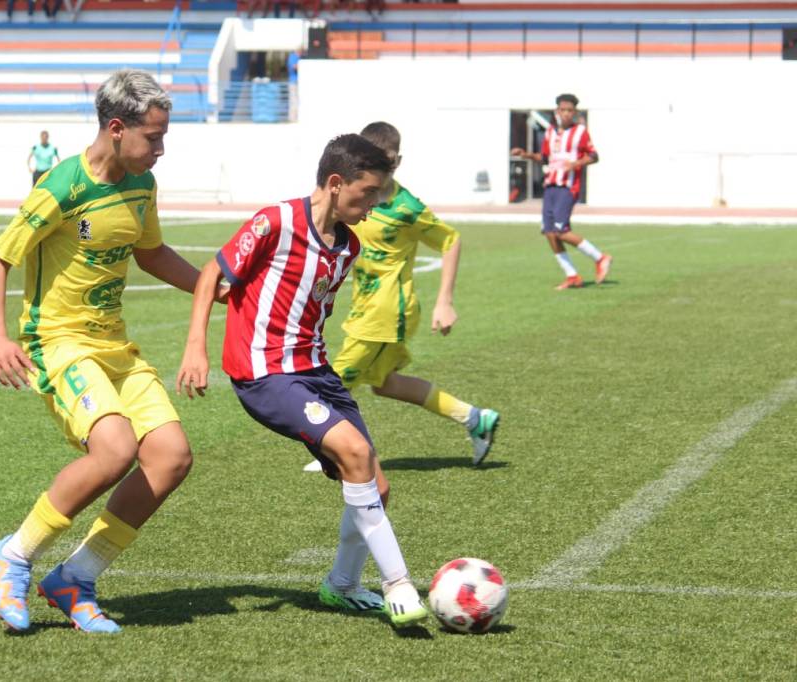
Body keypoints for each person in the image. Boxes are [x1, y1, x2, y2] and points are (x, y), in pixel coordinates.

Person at [0, 69, 203, 634]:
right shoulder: (62, 186)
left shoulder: (141, 185)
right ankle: (15, 555)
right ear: (117, 128)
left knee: (172, 457)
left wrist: (213, 287)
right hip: (59, 343)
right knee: (114, 448)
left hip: (114, 344)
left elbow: (151, 254)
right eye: (153, 137)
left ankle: (76, 576)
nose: (161, 149)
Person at [177, 134, 430, 628]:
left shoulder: (347, 245)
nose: (373, 205)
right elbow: (213, 273)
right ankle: (399, 586)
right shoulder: (274, 222)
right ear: (336, 183)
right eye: (367, 194)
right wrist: (196, 347)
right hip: (265, 373)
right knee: (356, 455)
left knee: (375, 484)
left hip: (316, 372)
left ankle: (340, 586)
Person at [302, 122, 499, 475]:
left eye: (387, 159)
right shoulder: (357, 196)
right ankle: (474, 418)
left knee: (337, 377)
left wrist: (445, 301)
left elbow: (450, 240)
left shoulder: (407, 208)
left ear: (397, 159)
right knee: (386, 384)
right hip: (367, 306)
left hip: (388, 310)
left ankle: (337, 451)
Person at [511, 93, 612, 290]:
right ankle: (572, 275)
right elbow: (545, 157)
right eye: (562, 110)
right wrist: (525, 154)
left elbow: (594, 156)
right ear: (557, 111)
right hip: (550, 186)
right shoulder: (550, 132)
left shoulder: (580, 132)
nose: (566, 114)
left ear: (574, 112)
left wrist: (574, 164)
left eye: (570, 111)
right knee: (549, 232)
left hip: (568, 186)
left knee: (561, 231)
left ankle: (600, 258)